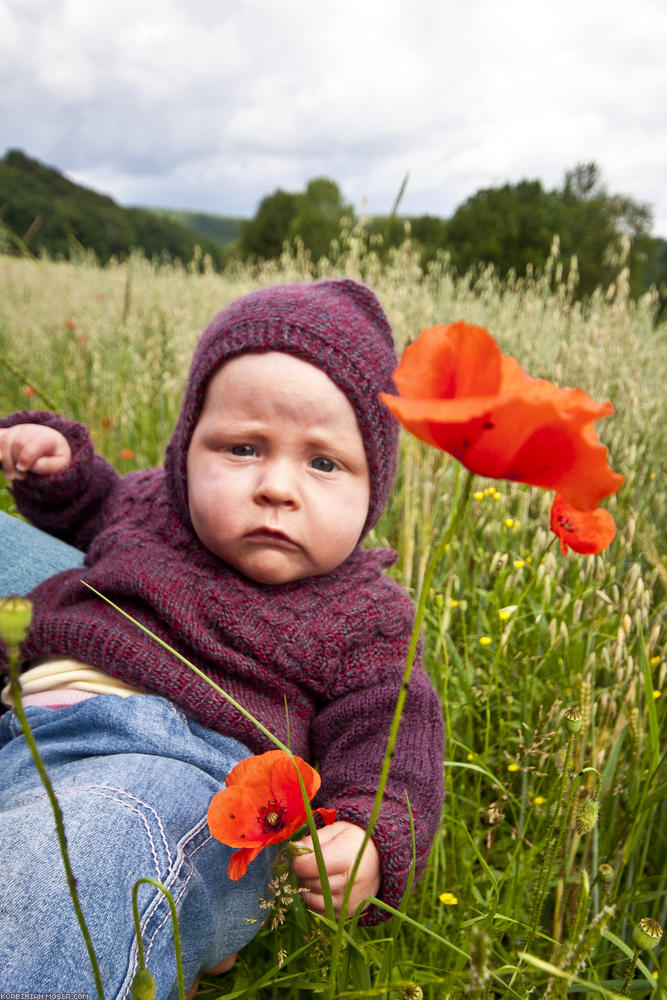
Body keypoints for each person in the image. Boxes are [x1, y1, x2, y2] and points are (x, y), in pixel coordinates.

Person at [0, 279, 444, 1000]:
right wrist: (58, 470)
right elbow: (93, 507)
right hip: (24, 718)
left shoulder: (369, 618)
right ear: (184, 452)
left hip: (180, 778)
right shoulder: (153, 507)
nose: (276, 486)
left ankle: (151, 918)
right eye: (242, 447)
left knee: (78, 867)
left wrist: (371, 839)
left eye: (323, 463)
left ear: (375, 488)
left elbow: (395, 752)